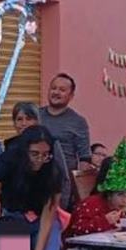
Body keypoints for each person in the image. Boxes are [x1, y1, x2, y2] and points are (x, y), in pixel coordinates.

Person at [39, 73, 94, 209]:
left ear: (71, 96)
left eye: (62, 90)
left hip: (63, 184)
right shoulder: (36, 115)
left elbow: (84, 159)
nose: (56, 92)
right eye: (54, 88)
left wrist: (80, 192)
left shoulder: (78, 122)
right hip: (37, 179)